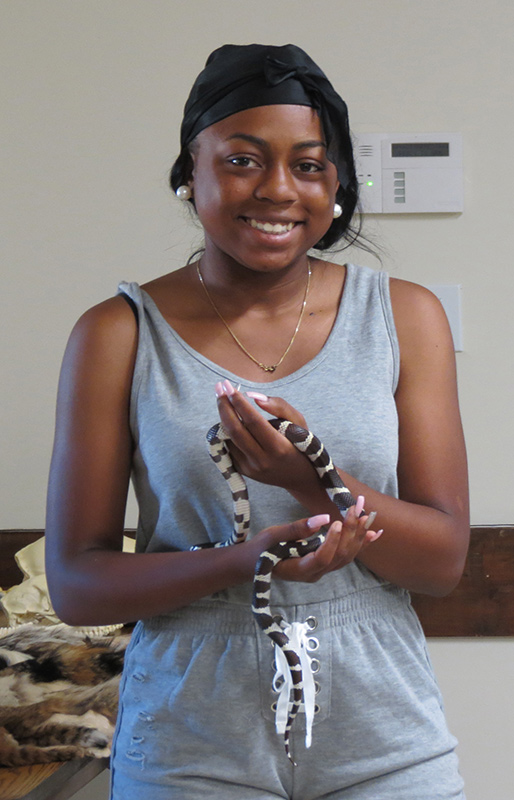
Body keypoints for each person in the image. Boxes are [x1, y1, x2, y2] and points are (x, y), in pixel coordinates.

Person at [45, 43, 469, 799]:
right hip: (189, 738)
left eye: (309, 165)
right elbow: (77, 585)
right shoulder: (118, 334)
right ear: (189, 174)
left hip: (383, 738)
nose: (278, 189)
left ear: (336, 184)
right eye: (242, 160)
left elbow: (440, 562)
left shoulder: (405, 317)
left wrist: (317, 484)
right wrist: (248, 561)